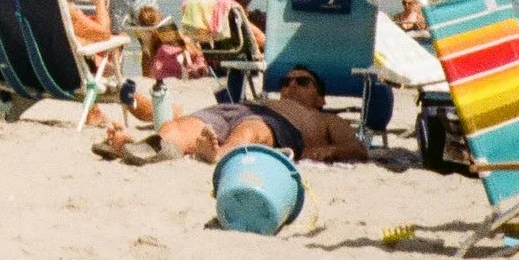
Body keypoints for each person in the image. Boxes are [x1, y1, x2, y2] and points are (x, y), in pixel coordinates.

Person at [99, 66, 368, 166]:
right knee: (179, 126)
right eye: (286, 82)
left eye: (302, 82)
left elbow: (356, 149)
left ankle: (218, 154)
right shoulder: (271, 99)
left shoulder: (328, 119)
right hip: (239, 108)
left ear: (321, 98)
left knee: (252, 130)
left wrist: (328, 151)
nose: (291, 86)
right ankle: (152, 147)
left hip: (279, 125)